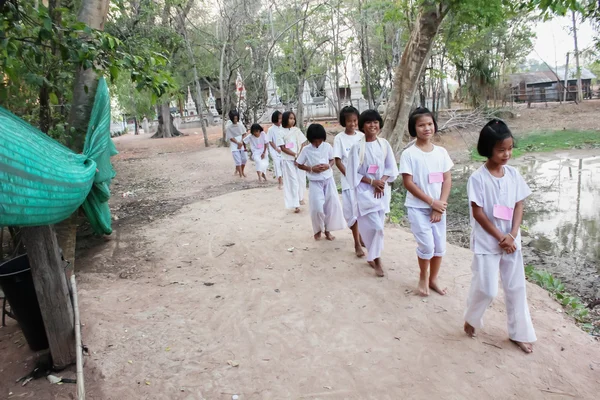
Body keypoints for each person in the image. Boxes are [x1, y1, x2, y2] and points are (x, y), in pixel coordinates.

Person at [463, 119, 536, 354]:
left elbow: (519, 204)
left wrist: (512, 235)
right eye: (501, 149)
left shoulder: (514, 175)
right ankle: (472, 318)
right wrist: (499, 237)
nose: (507, 154)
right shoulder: (478, 178)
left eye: (510, 148)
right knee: (487, 289)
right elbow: (478, 213)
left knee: (516, 288)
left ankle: (520, 334)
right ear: (488, 149)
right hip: (488, 241)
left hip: (511, 243)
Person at [400, 107, 453, 297]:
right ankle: (423, 277)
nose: (426, 128)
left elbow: (447, 180)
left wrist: (441, 205)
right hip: (418, 207)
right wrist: (431, 202)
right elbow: (408, 182)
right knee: (427, 246)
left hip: (439, 208)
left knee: (439, 246)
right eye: (421, 125)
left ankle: (433, 279)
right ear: (414, 129)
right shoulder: (409, 154)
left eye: (430, 124)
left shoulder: (441, 152)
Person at [346, 110, 398, 277]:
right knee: (375, 229)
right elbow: (353, 173)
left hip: (381, 193)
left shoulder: (384, 144)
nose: (373, 125)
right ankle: (377, 261)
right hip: (365, 194)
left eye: (375, 122)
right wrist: (372, 182)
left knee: (379, 227)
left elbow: (391, 168)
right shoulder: (356, 147)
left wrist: (381, 181)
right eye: (368, 122)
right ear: (362, 126)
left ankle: (372, 255)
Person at [296, 123, 346, 240]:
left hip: (328, 180)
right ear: (310, 140)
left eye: (319, 140)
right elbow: (299, 164)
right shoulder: (306, 150)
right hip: (315, 182)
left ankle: (328, 230)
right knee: (317, 208)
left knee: (331, 206)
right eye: (315, 141)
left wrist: (328, 166)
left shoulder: (327, 147)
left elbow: (332, 159)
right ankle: (318, 229)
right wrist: (311, 169)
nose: (317, 143)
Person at [333, 106, 366, 257]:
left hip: (362, 180)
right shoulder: (339, 138)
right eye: (349, 121)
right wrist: (350, 175)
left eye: (354, 121)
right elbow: (338, 160)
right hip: (348, 181)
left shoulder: (362, 136)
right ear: (343, 122)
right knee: (351, 212)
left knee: (361, 211)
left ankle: (359, 238)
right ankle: (357, 242)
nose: (352, 124)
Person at [276, 111, 307, 213]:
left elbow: (303, 142)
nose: (292, 120)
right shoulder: (280, 132)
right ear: (285, 119)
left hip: (299, 160)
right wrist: (294, 155)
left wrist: (299, 156)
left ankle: (300, 197)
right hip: (288, 161)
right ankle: (295, 204)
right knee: (292, 181)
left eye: (293, 118)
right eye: (290, 118)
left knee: (301, 180)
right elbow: (283, 148)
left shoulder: (296, 130)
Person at [225, 110, 247, 178]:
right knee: (238, 160)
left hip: (241, 144)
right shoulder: (229, 127)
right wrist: (237, 143)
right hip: (235, 146)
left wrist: (241, 141)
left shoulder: (240, 125)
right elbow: (230, 137)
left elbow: (244, 133)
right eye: (234, 118)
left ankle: (242, 171)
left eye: (236, 118)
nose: (235, 120)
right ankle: (240, 175)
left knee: (244, 159)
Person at [267, 111, 284, 189]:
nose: (281, 120)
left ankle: (285, 181)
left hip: (283, 149)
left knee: (283, 165)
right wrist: (276, 148)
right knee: (277, 165)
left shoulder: (283, 127)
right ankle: (280, 182)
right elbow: (270, 141)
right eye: (279, 118)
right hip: (274, 150)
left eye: (281, 118)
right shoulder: (271, 129)